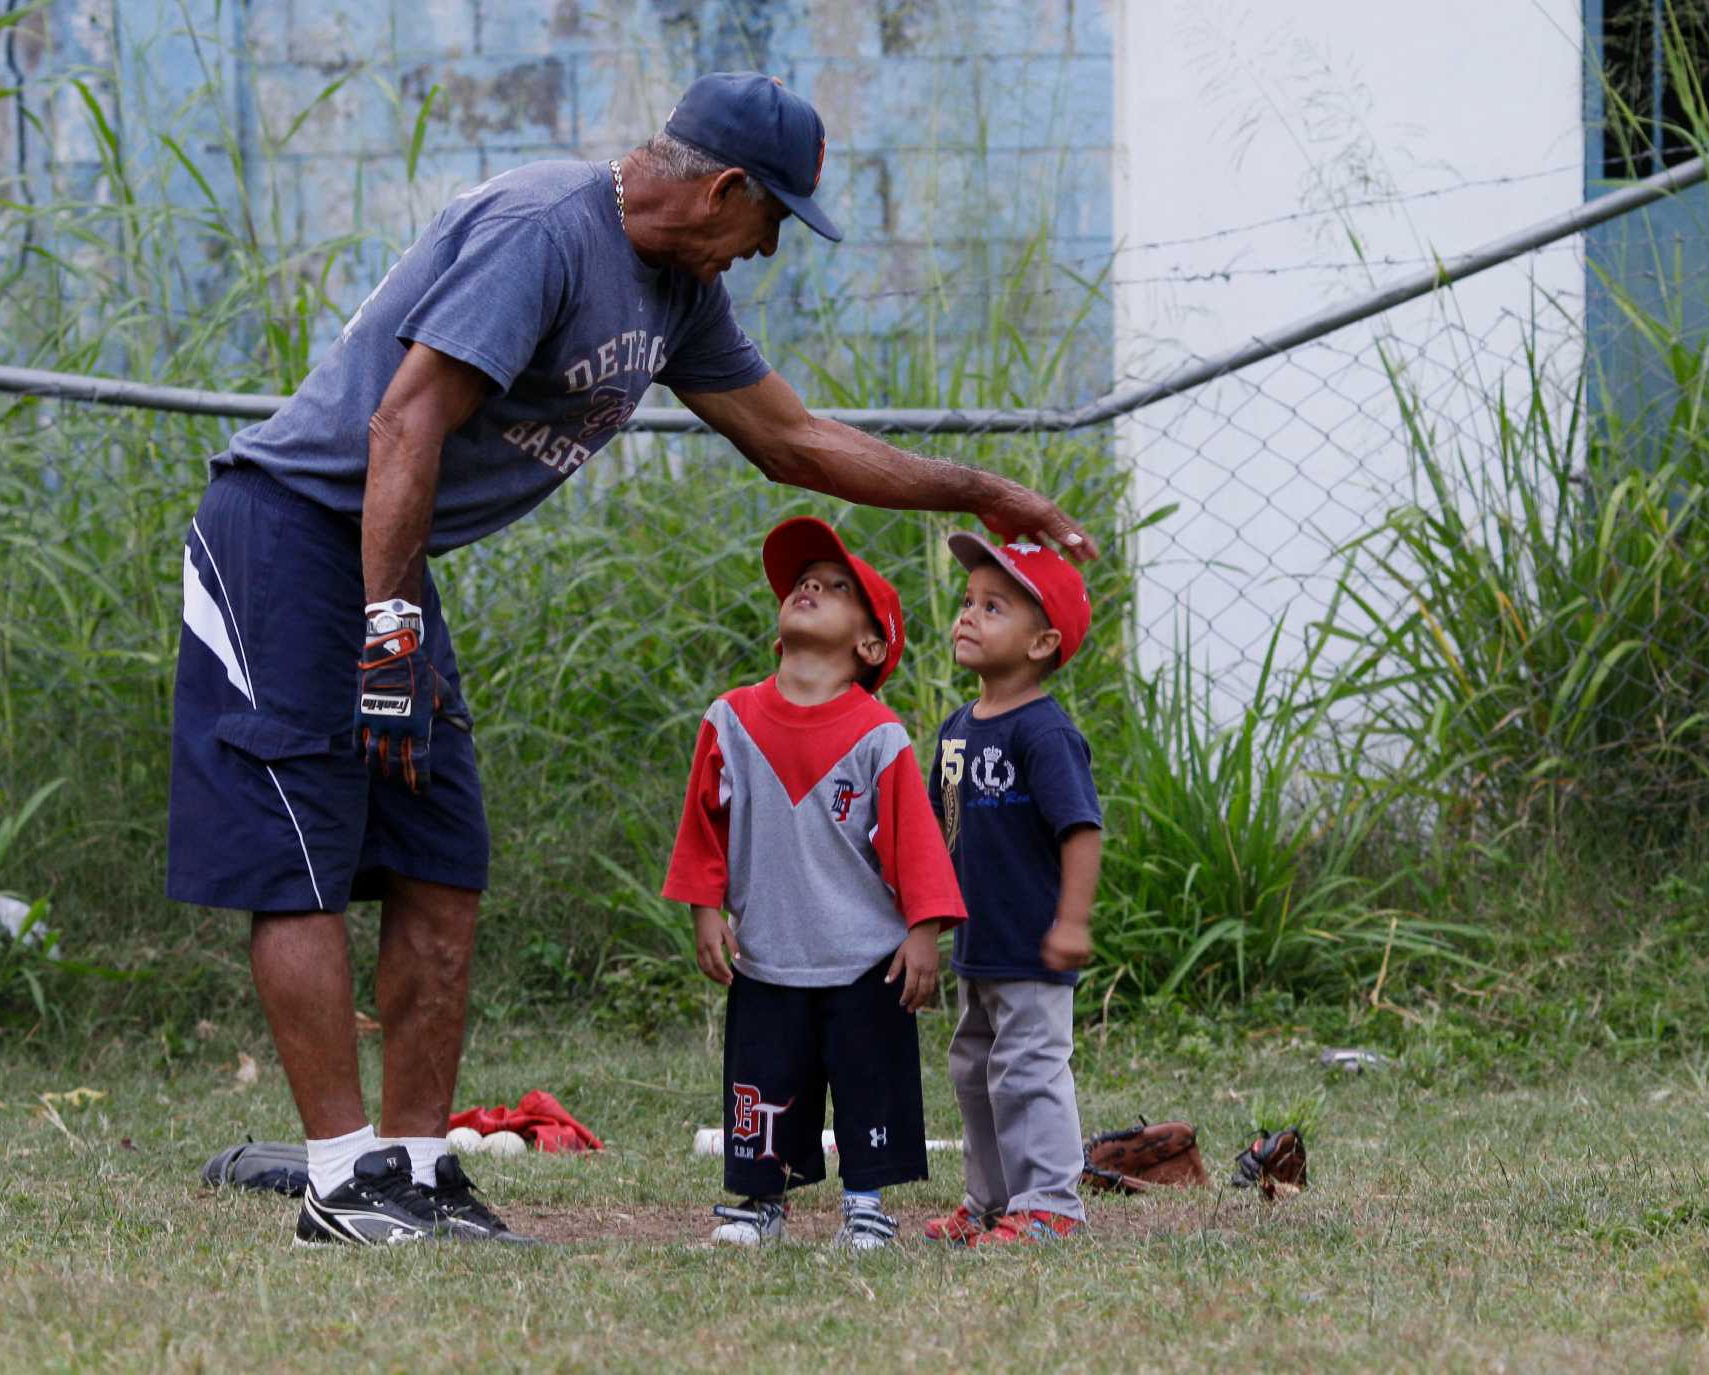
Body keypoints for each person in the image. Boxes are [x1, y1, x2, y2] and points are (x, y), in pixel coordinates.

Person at [165, 68, 1097, 1248]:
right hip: (290, 536)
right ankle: (343, 1182)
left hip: (385, 554)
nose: (765, 252)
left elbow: (790, 437)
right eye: (770, 222)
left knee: (439, 855)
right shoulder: (546, 230)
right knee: (301, 846)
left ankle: (412, 1168)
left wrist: (976, 487)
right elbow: (403, 420)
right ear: (720, 190)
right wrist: (390, 635)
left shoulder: (676, 291)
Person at [662, 516, 966, 1250]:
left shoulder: (878, 733)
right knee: (763, 1089)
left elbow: (915, 845)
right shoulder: (728, 718)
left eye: (835, 588)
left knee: (869, 1087)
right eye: (803, 582)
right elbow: (703, 823)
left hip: (865, 958)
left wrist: (923, 932)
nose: (809, 587)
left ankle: (865, 1205)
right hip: (766, 952)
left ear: (870, 645)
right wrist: (706, 908)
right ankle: (761, 1203)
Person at [922, 533, 1103, 1246]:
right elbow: (943, 829)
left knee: (1029, 1071)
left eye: (993, 606)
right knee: (975, 1071)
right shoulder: (957, 729)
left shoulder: (1045, 731)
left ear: (1042, 642)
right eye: (968, 601)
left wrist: (1072, 920)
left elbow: (1080, 829)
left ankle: (1053, 1201)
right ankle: (994, 1200)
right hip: (978, 945)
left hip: (1032, 944)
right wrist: (922, 916)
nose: (968, 615)